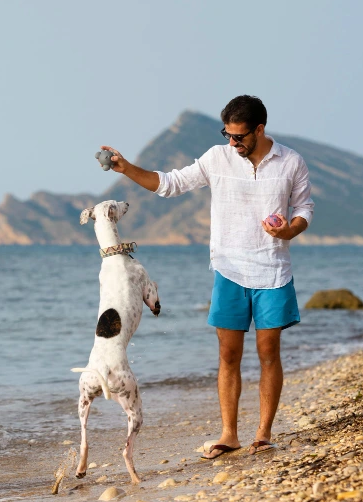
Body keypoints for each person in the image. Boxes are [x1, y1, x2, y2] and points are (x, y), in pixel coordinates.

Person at [101, 95, 314, 458]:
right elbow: (169, 184)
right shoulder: (217, 158)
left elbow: (304, 208)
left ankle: (263, 434)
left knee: (268, 354)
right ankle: (229, 435)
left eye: (239, 136)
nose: (233, 143)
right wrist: (127, 168)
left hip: (273, 270)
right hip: (229, 269)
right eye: (228, 135)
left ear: (259, 129)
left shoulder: (291, 162)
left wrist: (289, 231)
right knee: (228, 355)